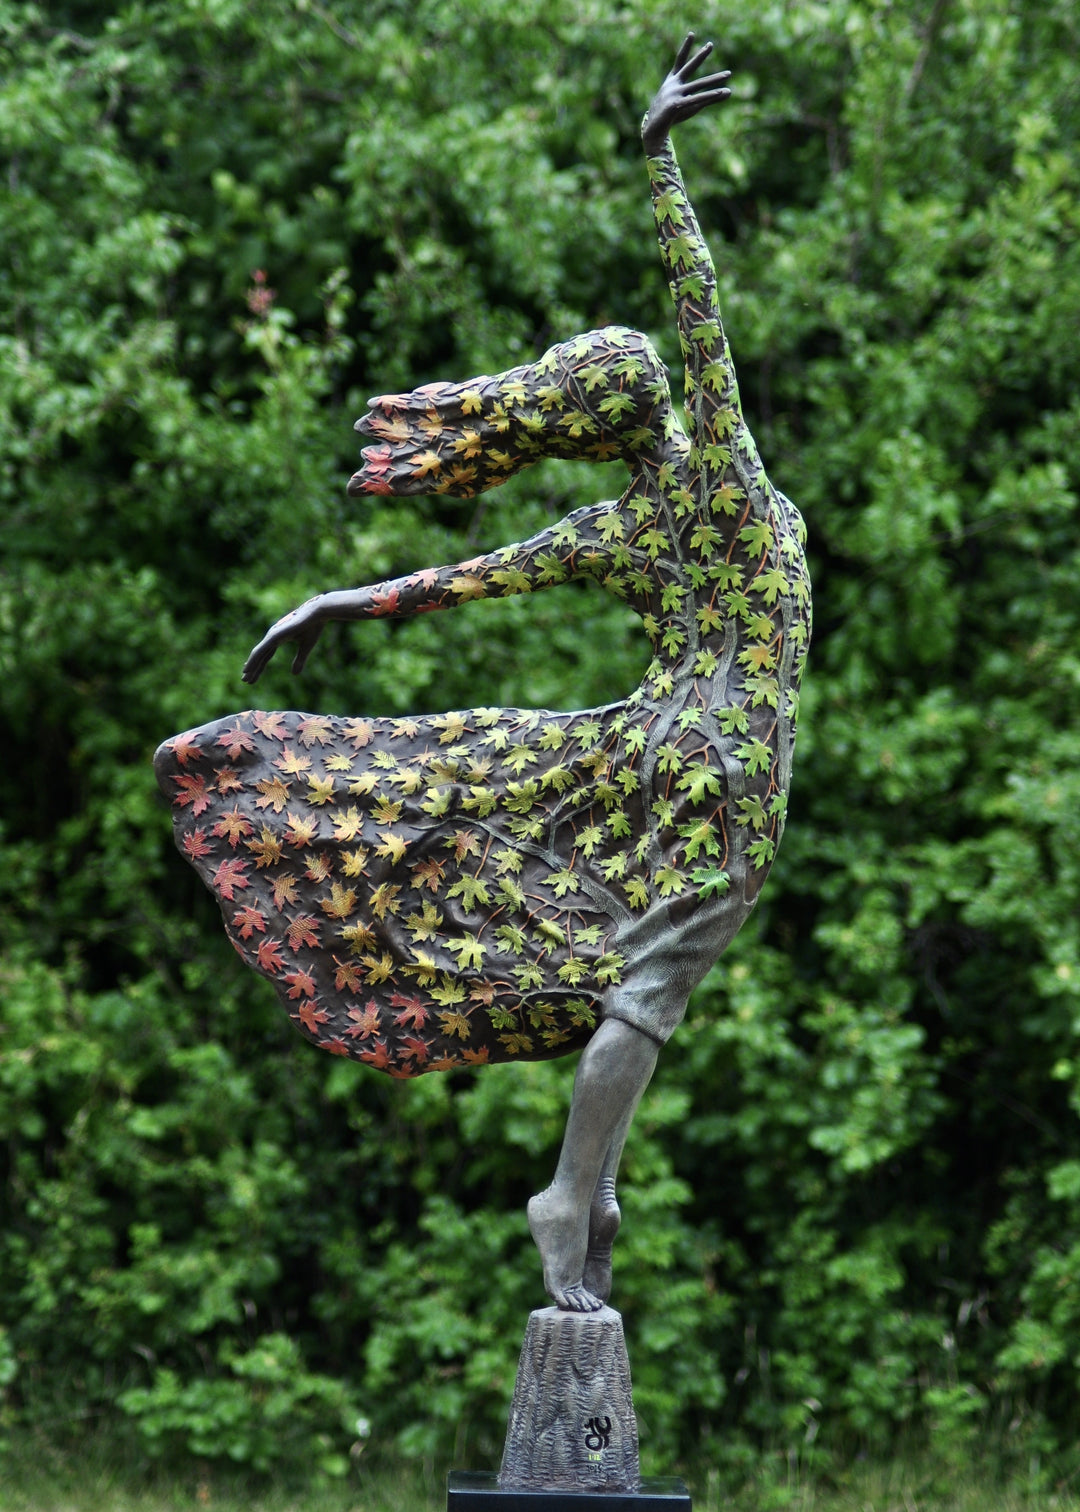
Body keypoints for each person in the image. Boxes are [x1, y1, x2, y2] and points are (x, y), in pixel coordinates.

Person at [155, 36, 810, 1312]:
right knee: (652, 979)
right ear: (662, 403)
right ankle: (573, 1192)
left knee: (618, 951)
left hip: (660, 749)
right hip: (723, 765)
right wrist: (658, 167)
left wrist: (342, 602)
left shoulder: (621, 524)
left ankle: (591, 1182)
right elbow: (703, 315)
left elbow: (469, 576)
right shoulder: (723, 481)